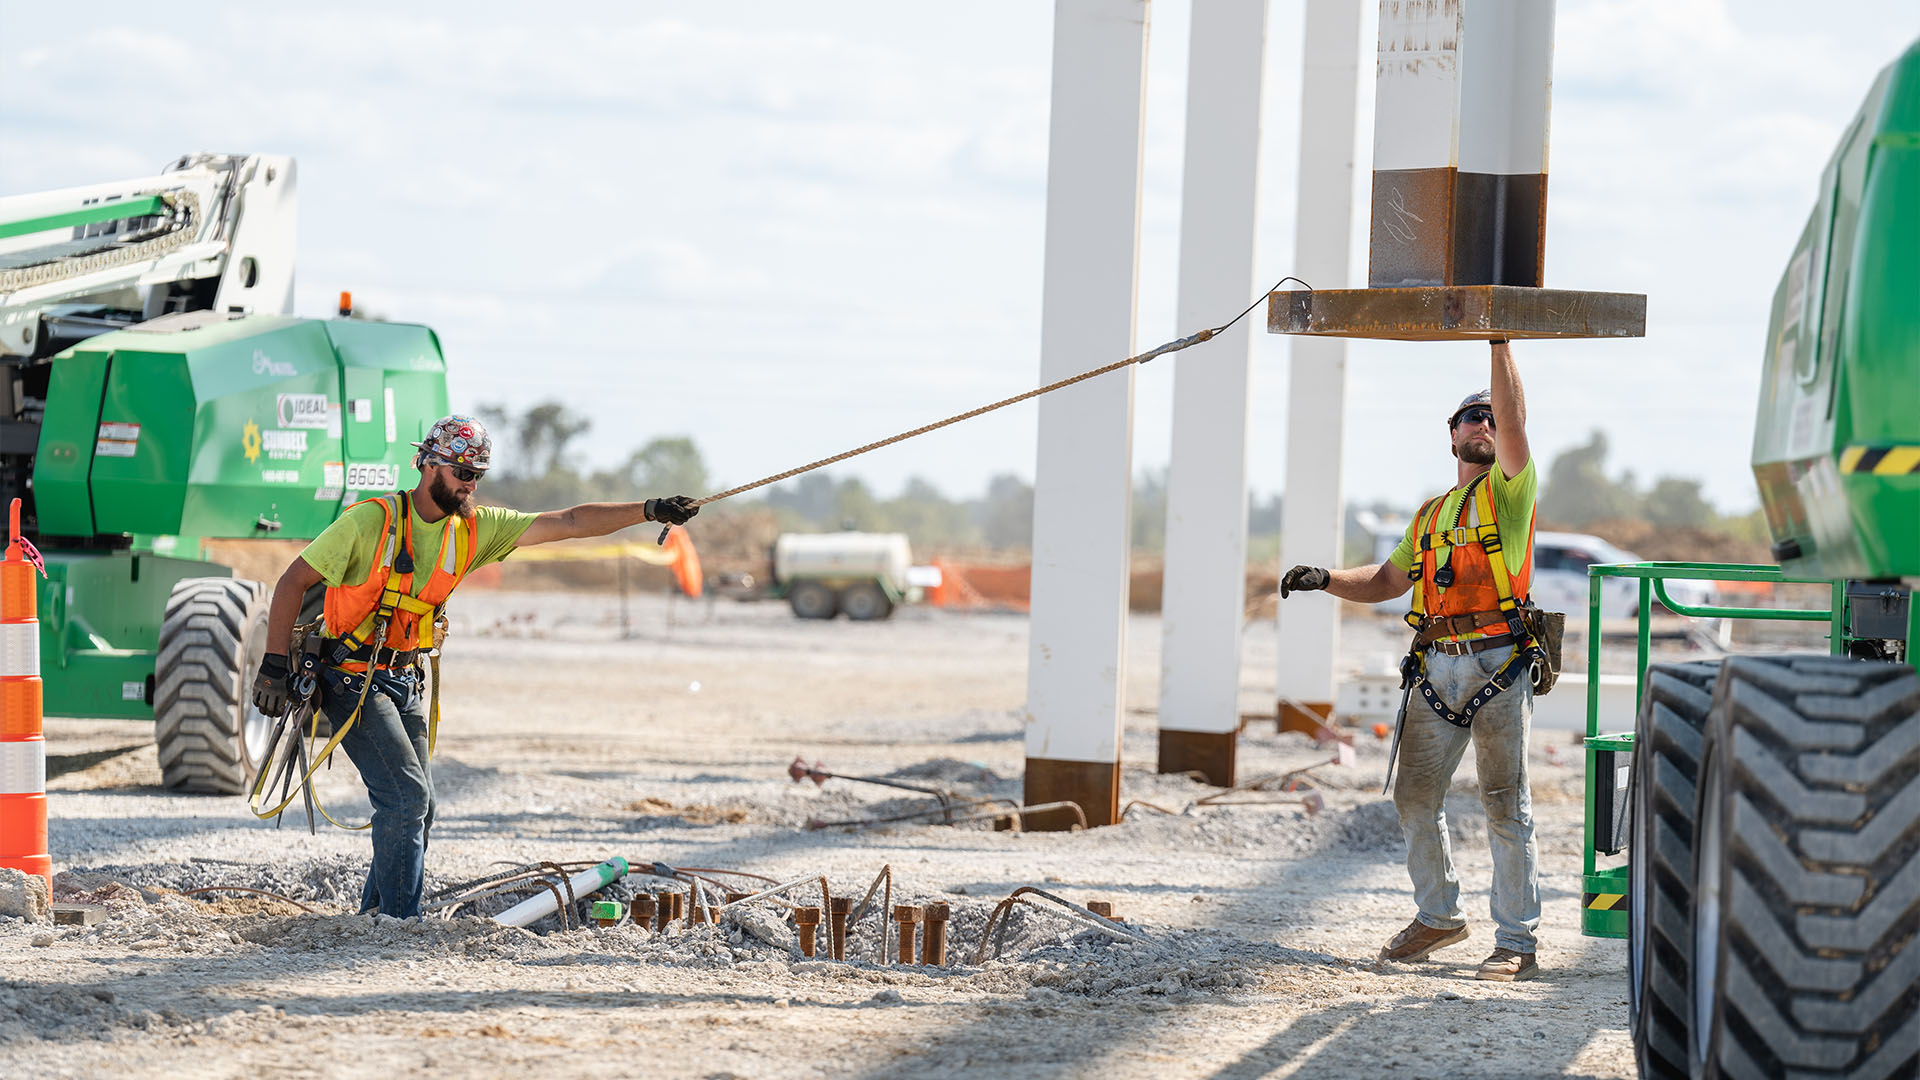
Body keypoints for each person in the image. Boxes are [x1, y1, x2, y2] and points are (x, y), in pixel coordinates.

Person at [248, 414, 700, 918]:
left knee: (420, 807)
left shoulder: (473, 530)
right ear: (428, 464)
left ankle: (376, 918)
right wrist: (271, 666)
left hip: (406, 678)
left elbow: (569, 522)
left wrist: (648, 509)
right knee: (405, 797)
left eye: (477, 475)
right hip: (351, 676)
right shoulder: (369, 522)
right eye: (461, 472)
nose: (469, 484)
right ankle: (399, 925)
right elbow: (292, 581)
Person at [1279, 341, 1541, 982]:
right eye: (1469, 418)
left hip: (1497, 662)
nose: (1482, 423)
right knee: (1414, 797)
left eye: (1490, 416)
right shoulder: (1429, 515)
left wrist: (1499, 340)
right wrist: (1326, 578)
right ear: (1451, 436)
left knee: (1505, 804)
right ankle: (1439, 916)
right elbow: (1388, 581)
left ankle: (1516, 942)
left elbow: (1514, 419)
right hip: (1436, 666)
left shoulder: (1509, 495)